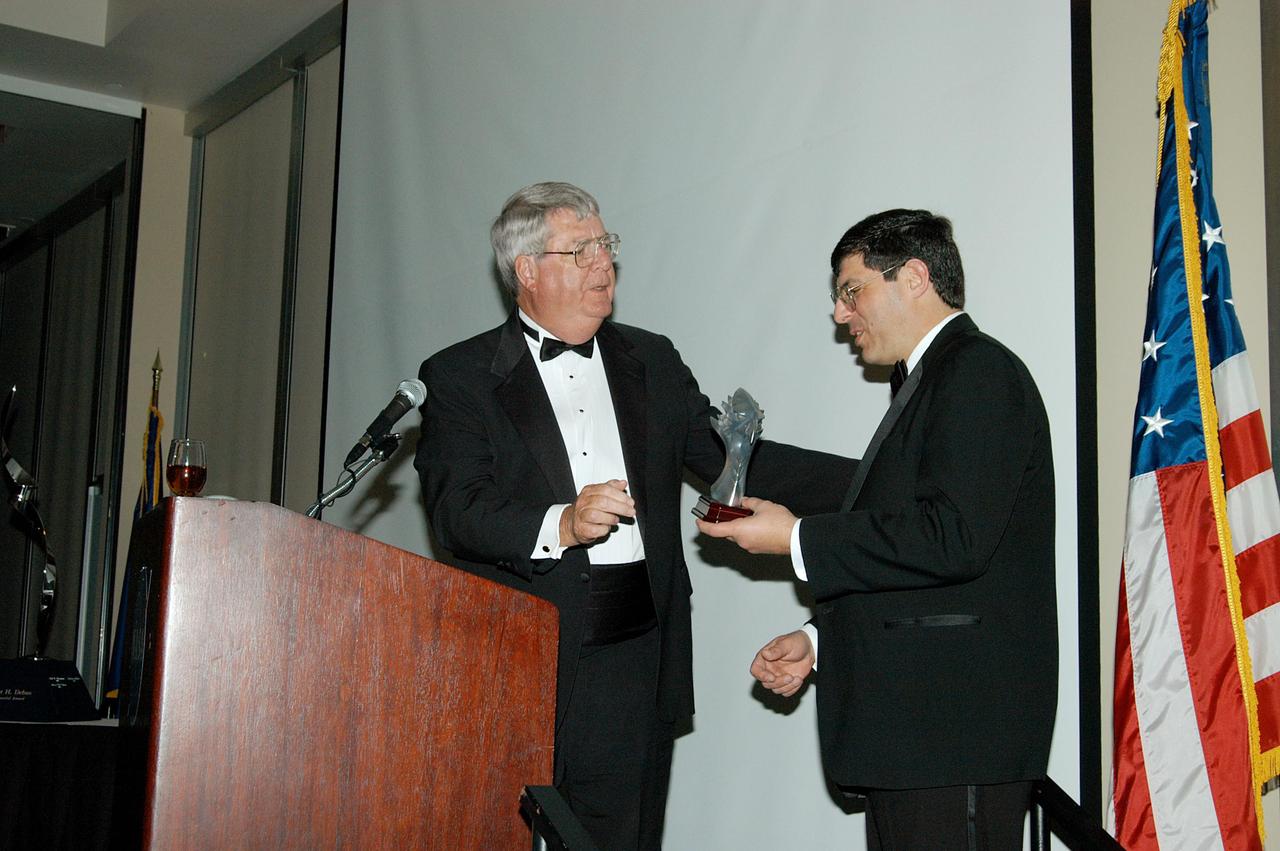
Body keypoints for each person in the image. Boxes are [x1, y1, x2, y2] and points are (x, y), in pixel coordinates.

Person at [697, 209, 1058, 850]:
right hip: (922, 748)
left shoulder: (977, 371)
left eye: (850, 289)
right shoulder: (931, 381)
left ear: (914, 277)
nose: (840, 314)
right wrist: (822, 639)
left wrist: (796, 539)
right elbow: (922, 564)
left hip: (952, 743)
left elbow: (954, 537)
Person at [414, 181, 728, 850]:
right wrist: (560, 522)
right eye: (580, 249)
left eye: (606, 245)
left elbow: (731, 459)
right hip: (523, 657)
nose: (603, 264)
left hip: (635, 656)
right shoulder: (460, 375)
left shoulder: (653, 359)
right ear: (527, 270)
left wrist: (868, 479)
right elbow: (457, 514)